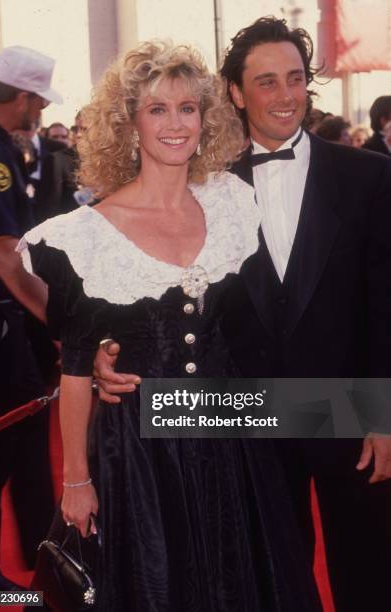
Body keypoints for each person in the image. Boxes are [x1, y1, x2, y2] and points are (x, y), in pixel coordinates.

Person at [95, 18, 391, 612]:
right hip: (246, 413)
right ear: (235, 92)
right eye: (266, 82)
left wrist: (385, 416)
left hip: (351, 407)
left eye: (295, 79)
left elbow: (386, 305)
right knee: (270, 579)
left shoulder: (371, 175)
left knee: (368, 573)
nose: (285, 96)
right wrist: (108, 352)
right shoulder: (207, 188)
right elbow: (161, 290)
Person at [18, 42, 322, 611]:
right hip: (139, 449)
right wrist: (76, 480)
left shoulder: (232, 202)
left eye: (188, 107)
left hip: (233, 435)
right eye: (157, 109)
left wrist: (366, 411)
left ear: (206, 120)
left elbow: (267, 319)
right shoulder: (87, 235)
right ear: (129, 125)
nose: (176, 123)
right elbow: (77, 364)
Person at [0, 45, 61, 590]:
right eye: (38, 100)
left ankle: (41, 557)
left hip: (4, 319)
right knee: (6, 440)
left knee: (24, 433)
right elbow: (1, 250)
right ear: (26, 97)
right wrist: (54, 318)